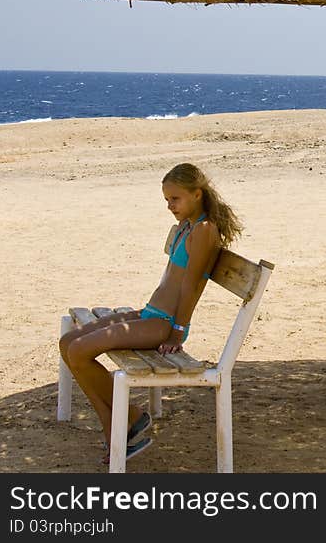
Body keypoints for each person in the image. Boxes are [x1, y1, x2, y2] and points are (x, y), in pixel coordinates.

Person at [59, 162, 243, 465]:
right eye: (167, 200)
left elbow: (191, 286)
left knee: (79, 351)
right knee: (69, 343)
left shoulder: (205, 230)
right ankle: (118, 426)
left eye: (175, 199)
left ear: (197, 194)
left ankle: (128, 420)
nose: (170, 206)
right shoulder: (188, 225)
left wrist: (177, 331)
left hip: (163, 323)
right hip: (149, 313)